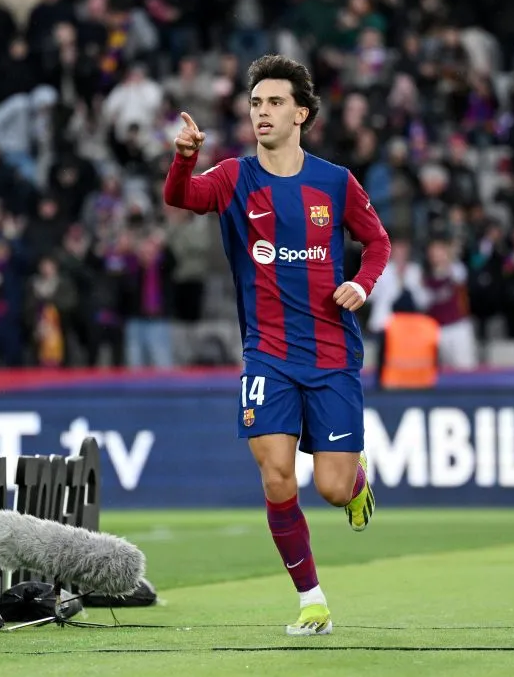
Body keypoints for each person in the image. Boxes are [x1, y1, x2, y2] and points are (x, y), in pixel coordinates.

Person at [163, 54, 391, 636]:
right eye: (255, 103)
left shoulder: (335, 182)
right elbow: (181, 197)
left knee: (333, 488)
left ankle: (356, 480)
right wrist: (184, 158)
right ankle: (312, 601)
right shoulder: (234, 178)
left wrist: (361, 285)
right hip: (267, 354)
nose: (261, 112)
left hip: (332, 354)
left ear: (301, 114)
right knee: (277, 476)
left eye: (274, 102)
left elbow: (378, 243)